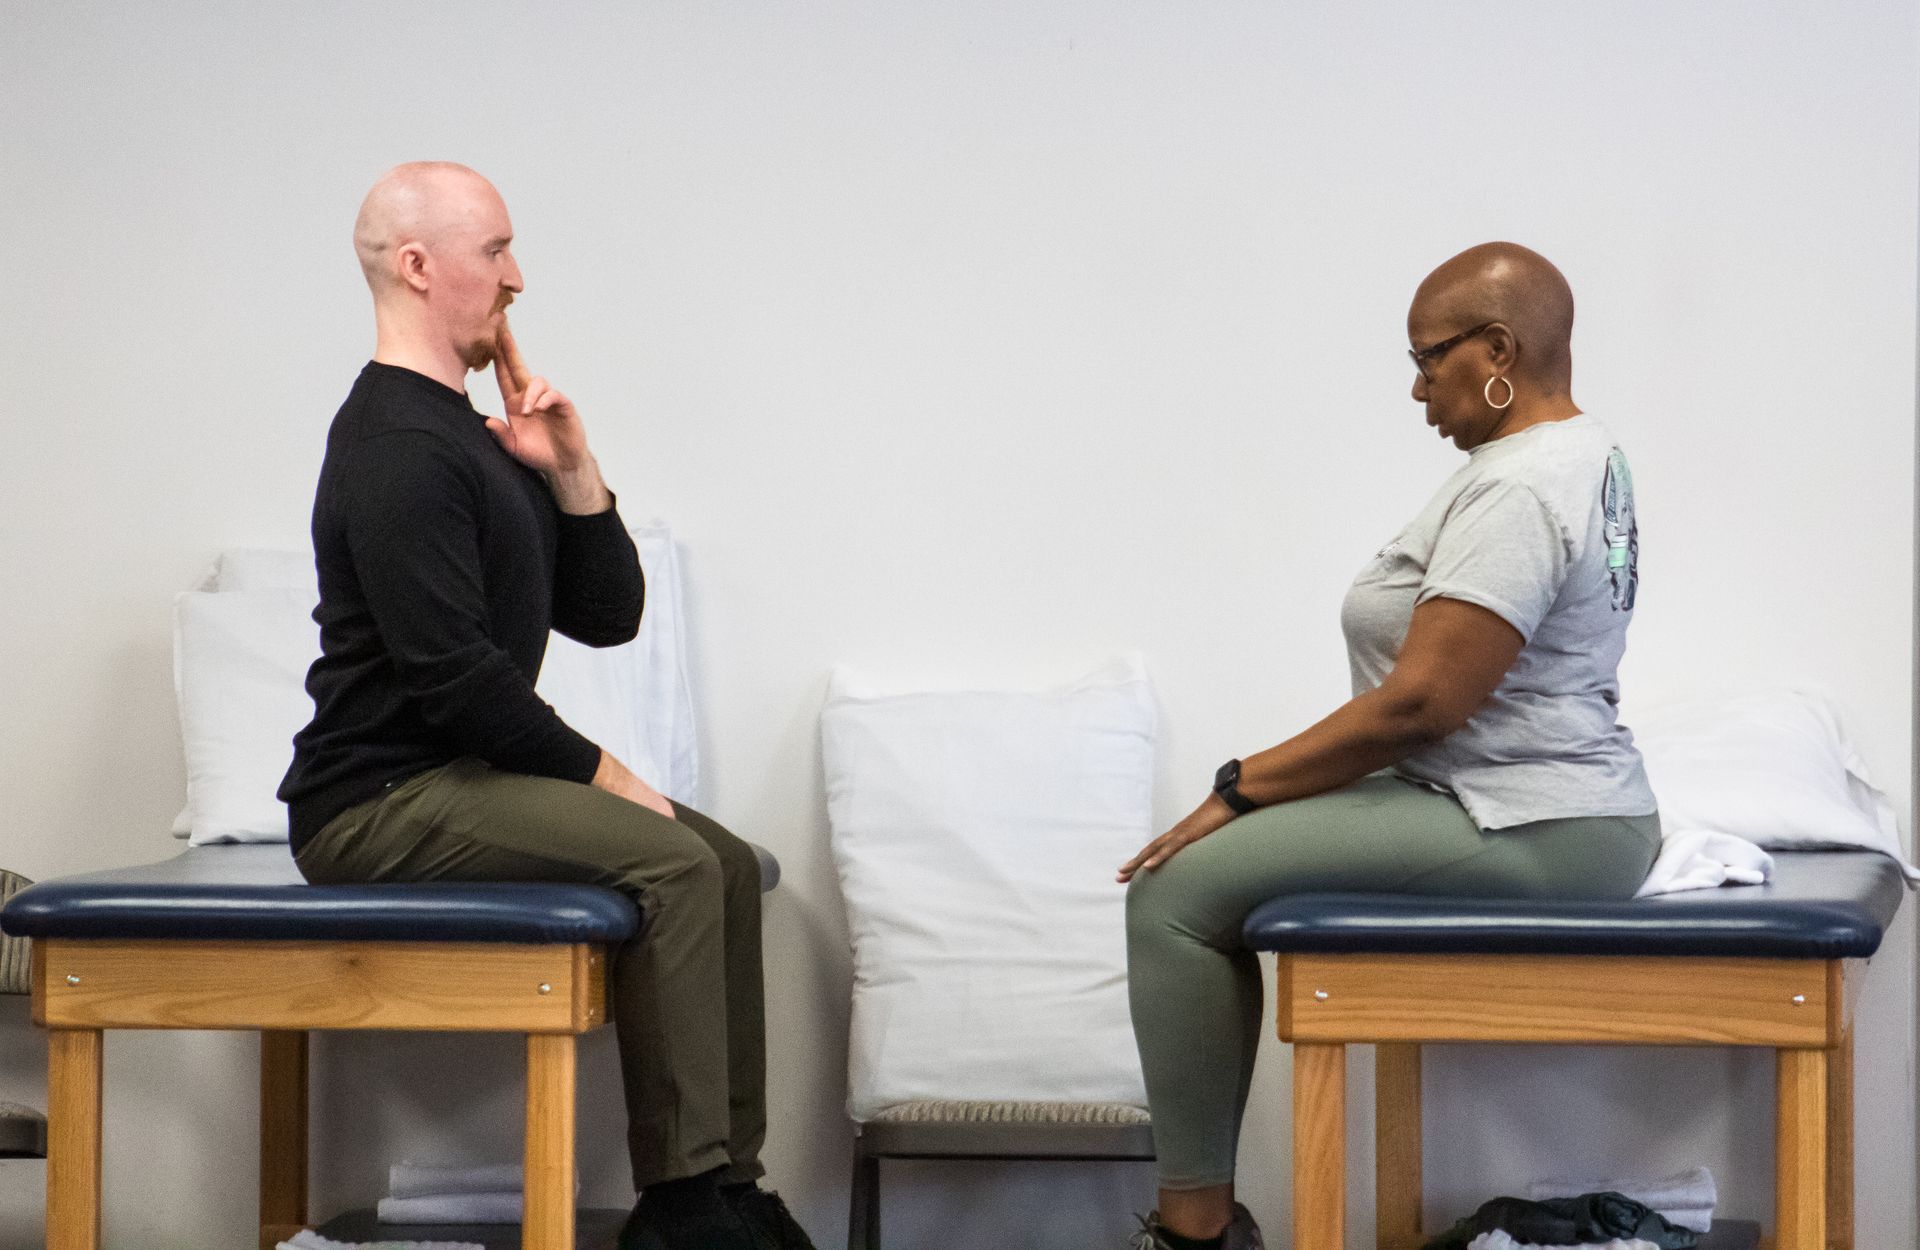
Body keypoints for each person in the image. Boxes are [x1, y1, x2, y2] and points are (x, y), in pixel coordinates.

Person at [277, 161, 816, 1250]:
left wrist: (572, 470)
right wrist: (608, 775)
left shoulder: (475, 437)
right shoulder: (395, 443)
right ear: (421, 267)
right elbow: (454, 677)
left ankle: (730, 1188)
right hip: (372, 800)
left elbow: (607, 613)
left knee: (722, 861)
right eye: (497, 252)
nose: (518, 277)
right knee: (667, 856)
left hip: (457, 780)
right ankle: (679, 1206)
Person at [1118, 242, 1660, 1250]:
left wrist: (1236, 789)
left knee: (1173, 895)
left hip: (1531, 818)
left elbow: (1421, 705)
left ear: (1497, 347)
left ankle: (1193, 1234)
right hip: (1537, 802)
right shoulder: (1577, 454)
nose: (1416, 389)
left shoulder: (1521, 488)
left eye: (1428, 359)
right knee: (1191, 881)